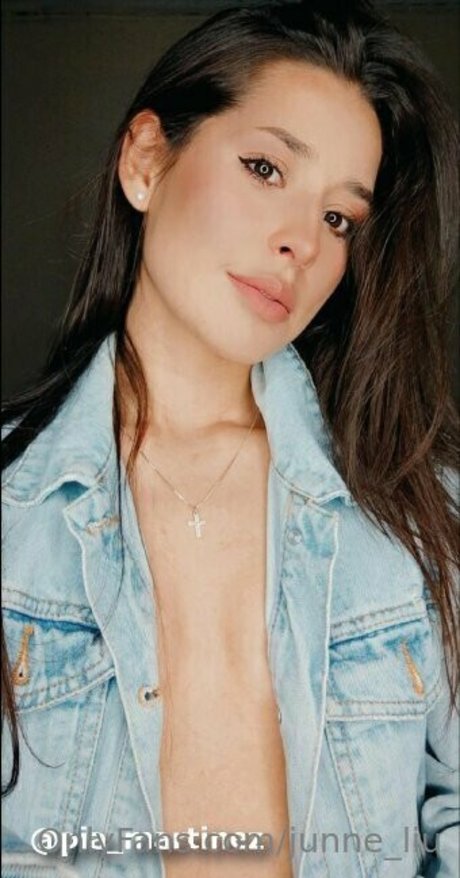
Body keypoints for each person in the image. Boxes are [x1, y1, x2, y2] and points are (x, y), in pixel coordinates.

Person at [2, 1, 459, 876]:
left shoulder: (419, 514)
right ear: (146, 161)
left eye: (339, 219)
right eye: (265, 168)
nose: (300, 243)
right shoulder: (14, 514)